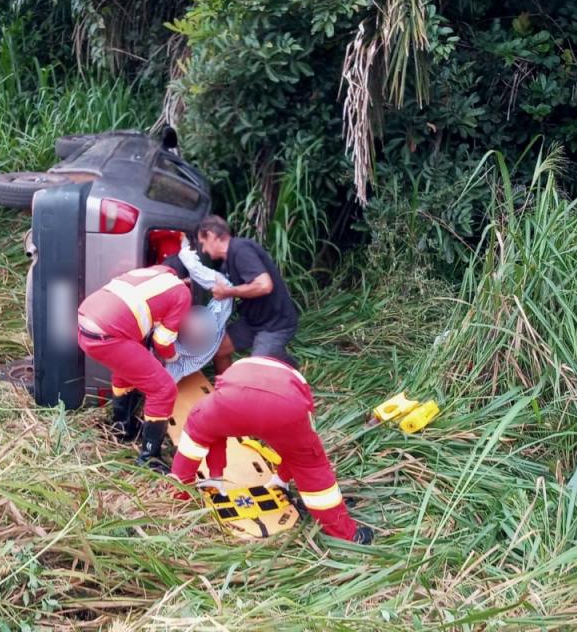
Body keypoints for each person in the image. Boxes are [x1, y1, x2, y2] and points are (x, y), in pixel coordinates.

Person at [168, 355, 373, 544]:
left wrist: (215, 474)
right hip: (286, 408)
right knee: (311, 467)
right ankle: (347, 535)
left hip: (230, 401)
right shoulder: (296, 382)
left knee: (192, 445)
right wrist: (283, 476)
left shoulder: (240, 368)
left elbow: (213, 436)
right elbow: (294, 450)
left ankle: (177, 500)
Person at [77, 258, 192, 472]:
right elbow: (162, 341)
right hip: (108, 334)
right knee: (164, 389)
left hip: (85, 323)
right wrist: (174, 357)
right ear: (186, 279)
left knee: (126, 370)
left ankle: (122, 427)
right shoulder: (181, 290)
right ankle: (149, 457)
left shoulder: (150, 274)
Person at [195, 215, 298, 372]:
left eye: (203, 244)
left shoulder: (241, 250)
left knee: (255, 368)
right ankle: (227, 387)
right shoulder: (226, 264)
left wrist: (227, 292)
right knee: (218, 349)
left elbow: (264, 285)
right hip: (252, 322)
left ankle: (288, 366)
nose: (203, 250)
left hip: (276, 324)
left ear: (211, 235)